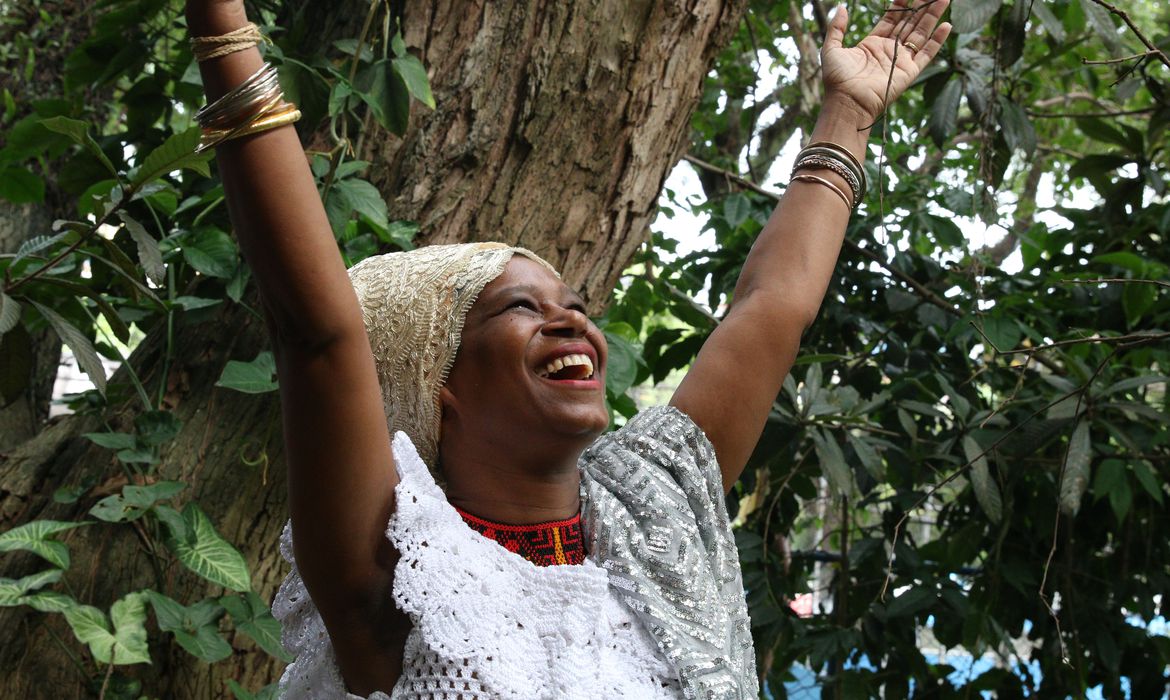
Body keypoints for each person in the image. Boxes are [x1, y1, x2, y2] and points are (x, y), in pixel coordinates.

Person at [185, 1, 951, 697]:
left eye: (575, 308)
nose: (571, 324)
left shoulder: (654, 510)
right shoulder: (404, 568)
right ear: (436, 380)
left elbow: (771, 308)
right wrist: (219, 24)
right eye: (521, 309)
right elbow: (317, 336)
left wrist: (847, 113)